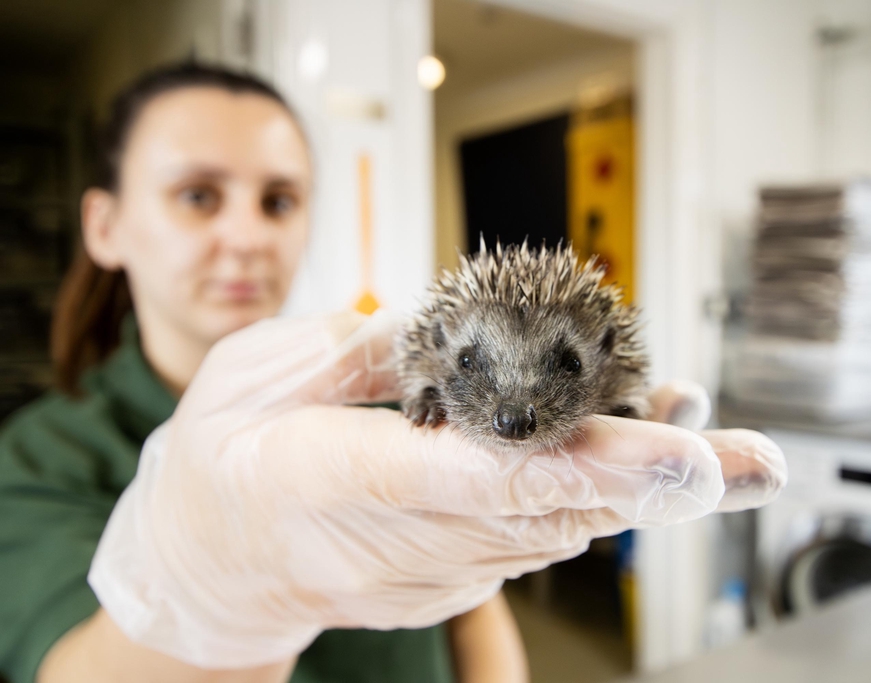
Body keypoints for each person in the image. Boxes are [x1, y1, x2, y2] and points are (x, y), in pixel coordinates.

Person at [0, 63, 786, 683]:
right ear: (103, 224)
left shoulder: (388, 403)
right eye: (198, 195)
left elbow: (470, 609)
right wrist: (230, 593)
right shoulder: (37, 457)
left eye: (278, 200)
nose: (244, 235)